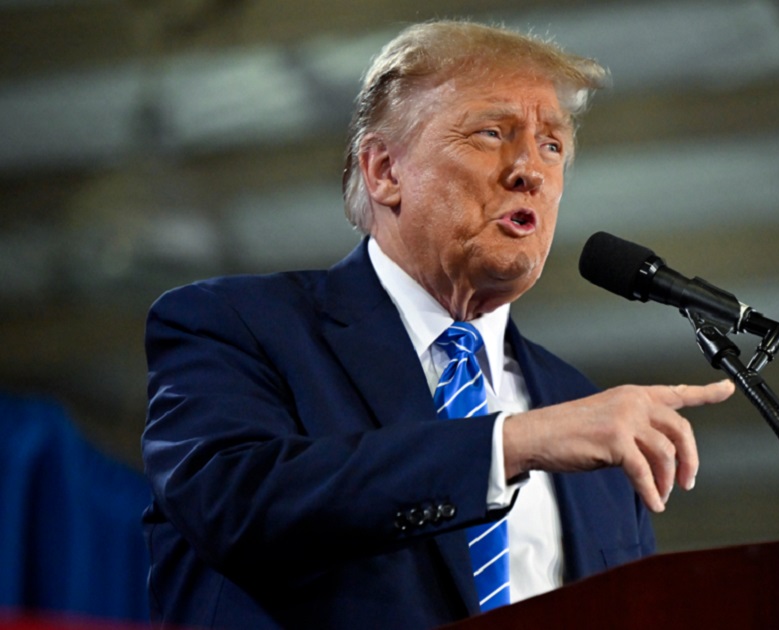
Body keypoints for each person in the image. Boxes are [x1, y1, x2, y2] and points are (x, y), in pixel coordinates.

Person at [141, 20, 735, 629]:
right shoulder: (234, 326)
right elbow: (233, 503)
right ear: (384, 172)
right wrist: (509, 444)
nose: (530, 168)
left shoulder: (587, 416)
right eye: (491, 133)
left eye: (552, 145)